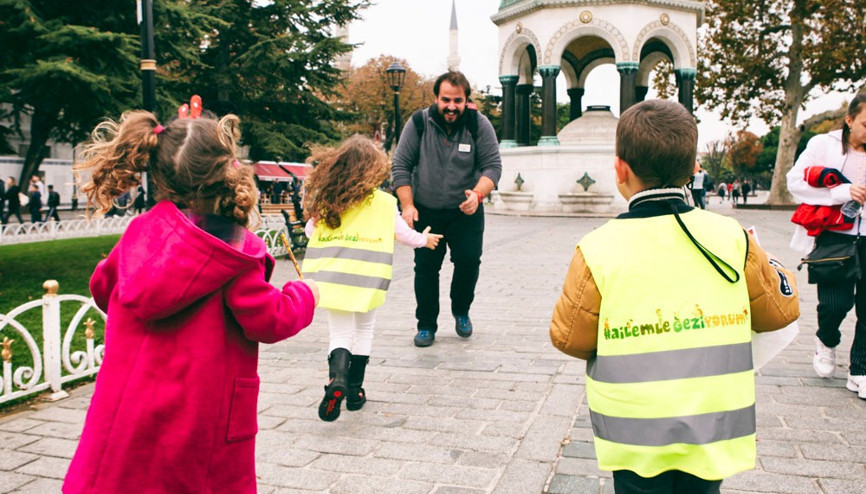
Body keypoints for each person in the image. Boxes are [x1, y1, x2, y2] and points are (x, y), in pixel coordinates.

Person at [63, 108, 320, 494]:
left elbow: (104, 286)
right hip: (200, 417)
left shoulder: (141, 231)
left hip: (130, 410)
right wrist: (305, 294)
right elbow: (269, 319)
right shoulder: (233, 248)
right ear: (227, 171)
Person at [549, 99, 800, 493]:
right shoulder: (730, 238)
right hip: (711, 422)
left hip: (635, 431)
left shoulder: (598, 248)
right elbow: (778, 313)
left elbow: (569, 337)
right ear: (694, 167)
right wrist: (770, 261)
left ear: (620, 169)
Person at [301, 136, 443, 421]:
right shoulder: (384, 202)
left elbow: (309, 233)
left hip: (332, 281)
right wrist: (424, 239)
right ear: (374, 170)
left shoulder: (330, 200)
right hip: (368, 279)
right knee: (364, 330)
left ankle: (336, 380)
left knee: (340, 334)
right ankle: (355, 391)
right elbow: (403, 235)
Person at [391, 70, 502, 347]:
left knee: (468, 262)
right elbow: (401, 166)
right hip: (427, 211)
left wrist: (477, 195)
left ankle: (461, 310)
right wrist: (408, 206)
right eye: (446, 100)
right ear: (436, 99)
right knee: (426, 269)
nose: (451, 106)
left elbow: (492, 166)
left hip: (465, 211)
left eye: (458, 100)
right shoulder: (418, 123)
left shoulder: (479, 125)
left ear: (466, 100)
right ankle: (426, 325)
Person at [787, 93, 866, 398]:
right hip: (835, 235)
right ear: (849, 120)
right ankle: (826, 338)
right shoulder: (823, 145)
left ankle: (860, 369)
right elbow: (795, 182)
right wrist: (841, 192)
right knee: (836, 304)